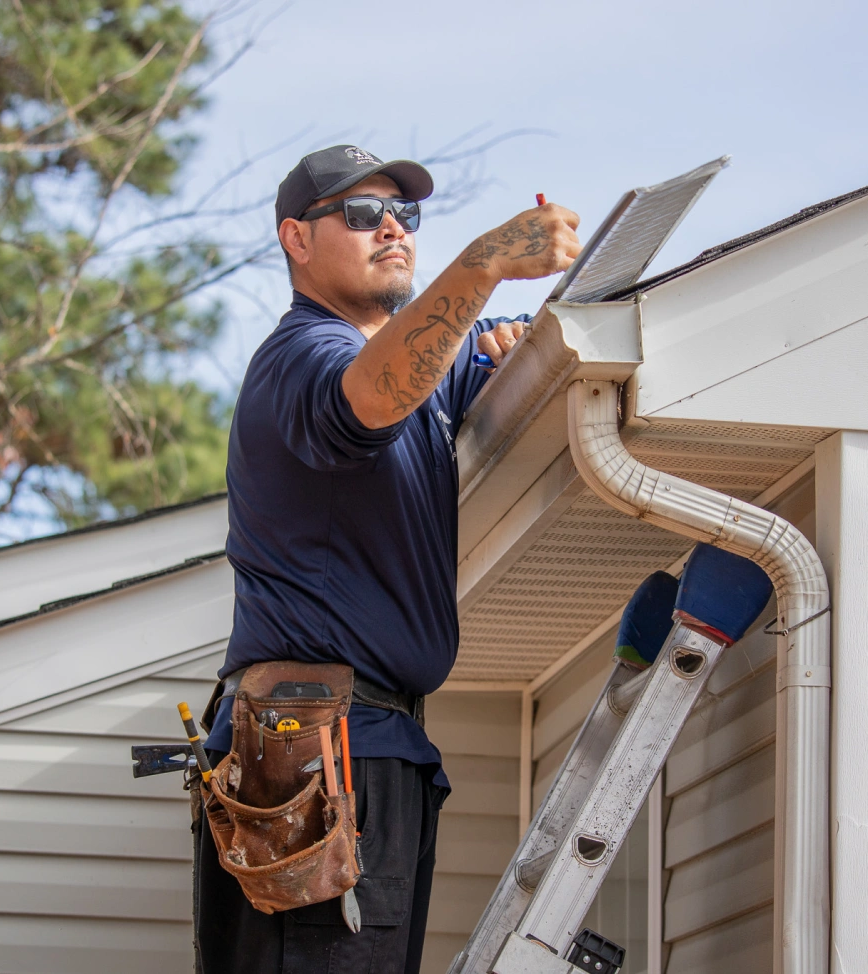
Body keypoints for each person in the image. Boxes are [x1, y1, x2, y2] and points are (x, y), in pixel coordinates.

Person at [194, 144, 580, 973]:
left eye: (406, 215)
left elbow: (432, 365)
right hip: (318, 749)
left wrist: (500, 344)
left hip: (362, 744)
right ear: (297, 239)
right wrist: (484, 263)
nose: (393, 229)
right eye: (362, 214)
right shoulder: (302, 354)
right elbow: (375, 391)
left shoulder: (403, 361)